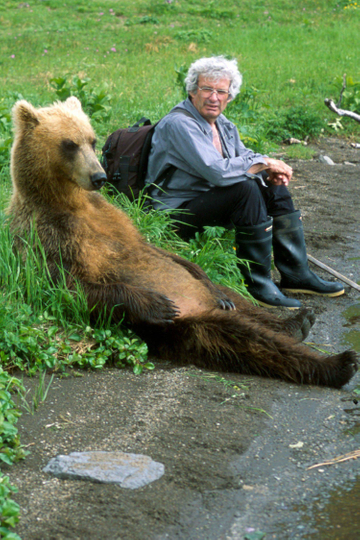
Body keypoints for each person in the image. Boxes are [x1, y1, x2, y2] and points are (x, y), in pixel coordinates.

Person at [145, 56, 344, 308]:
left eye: (221, 91)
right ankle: (258, 284)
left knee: (270, 183)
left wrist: (269, 171)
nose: (214, 97)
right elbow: (217, 172)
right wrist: (263, 162)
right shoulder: (179, 124)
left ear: (230, 96)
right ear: (193, 91)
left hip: (209, 202)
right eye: (207, 89)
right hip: (175, 214)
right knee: (245, 188)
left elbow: (245, 159)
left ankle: (297, 274)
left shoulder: (223, 125)